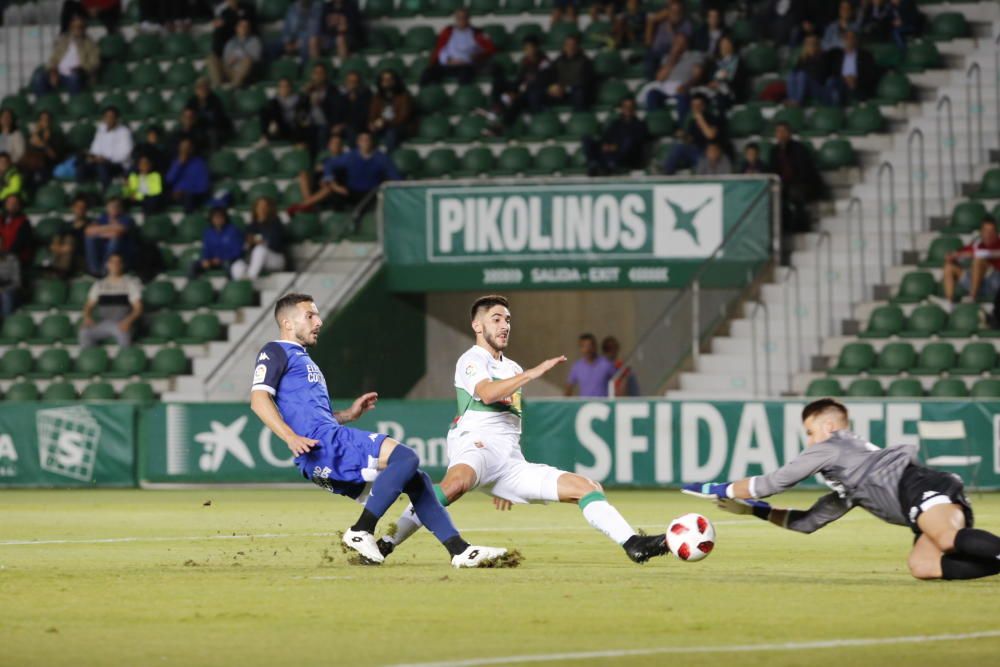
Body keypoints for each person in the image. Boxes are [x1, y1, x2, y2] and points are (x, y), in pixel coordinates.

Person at [378, 295, 668, 564]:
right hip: (475, 445)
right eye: (496, 319)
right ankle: (385, 543)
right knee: (454, 485)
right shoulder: (472, 359)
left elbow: (508, 422)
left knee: (587, 487)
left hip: (508, 462)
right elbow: (488, 394)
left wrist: (501, 478)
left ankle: (633, 543)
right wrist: (533, 373)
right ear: (477, 325)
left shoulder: (513, 368)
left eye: (507, 320)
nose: (505, 326)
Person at [249, 292, 509, 567]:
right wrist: (289, 437)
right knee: (405, 457)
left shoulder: (304, 360)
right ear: (287, 323)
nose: (319, 321)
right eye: (310, 315)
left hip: (324, 444)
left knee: (417, 480)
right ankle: (362, 529)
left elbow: (310, 416)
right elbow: (258, 399)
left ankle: (459, 550)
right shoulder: (275, 351)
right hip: (324, 445)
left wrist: (348, 415)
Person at [683, 398, 1000, 581]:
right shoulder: (854, 478)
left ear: (828, 427)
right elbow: (808, 522)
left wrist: (717, 487)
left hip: (919, 486)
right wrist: (753, 510)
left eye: (810, 432)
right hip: (920, 500)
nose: (808, 442)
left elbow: (773, 482)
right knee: (923, 566)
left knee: (945, 538)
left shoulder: (832, 445)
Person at [288, 131, 399, 214]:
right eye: (362, 140)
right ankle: (307, 205)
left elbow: (394, 176)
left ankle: (305, 205)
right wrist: (328, 177)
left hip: (370, 193)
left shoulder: (381, 158)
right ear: (358, 142)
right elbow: (329, 165)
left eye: (367, 140)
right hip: (350, 192)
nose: (364, 142)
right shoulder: (351, 156)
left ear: (372, 142)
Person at [768, 121, 822, 241]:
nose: (780, 134)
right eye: (778, 131)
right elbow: (772, 171)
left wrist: (788, 184)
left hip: (801, 184)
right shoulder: (774, 151)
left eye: (783, 131)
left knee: (795, 194)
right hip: (782, 185)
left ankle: (799, 228)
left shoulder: (799, 149)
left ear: (789, 133)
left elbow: (804, 171)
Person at [78, 253, 142, 349]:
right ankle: (94, 361)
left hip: (122, 323)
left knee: (124, 335)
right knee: (84, 332)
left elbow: (138, 309)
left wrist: (128, 321)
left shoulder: (130, 283)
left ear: (122, 265)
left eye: (118, 262)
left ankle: (124, 362)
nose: (115, 264)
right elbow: (88, 305)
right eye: (112, 262)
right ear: (107, 264)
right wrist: (87, 317)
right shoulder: (99, 285)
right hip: (104, 323)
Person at [420, 8, 497, 86]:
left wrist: (474, 57)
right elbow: (440, 49)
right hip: (448, 64)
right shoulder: (448, 31)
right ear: (456, 19)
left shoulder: (476, 33)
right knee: (428, 73)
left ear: (468, 19)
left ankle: (463, 96)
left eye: (464, 17)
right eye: (459, 18)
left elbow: (488, 49)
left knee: (466, 75)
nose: (461, 20)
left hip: (466, 65)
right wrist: (448, 60)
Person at [488, 35, 550, 124]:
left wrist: (517, 93)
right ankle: (496, 106)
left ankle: (503, 123)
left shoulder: (544, 62)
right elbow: (520, 79)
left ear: (536, 48)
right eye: (525, 49)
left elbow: (540, 82)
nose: (527, 51)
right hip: (522, 88)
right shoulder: (525, 61)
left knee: (518, 101)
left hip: (533, 92)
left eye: (529, 48)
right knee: (499, 82)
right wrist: (513, 91)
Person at [32, 15, 100, 96]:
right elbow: (53, 58)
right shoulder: (64, 41)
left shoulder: (90, 44)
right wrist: (53, 71)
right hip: (59, 74)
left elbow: (95, 63)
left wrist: (81, 69)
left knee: (74, 78)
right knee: (39, 78)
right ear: (70, 27)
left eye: (80, 27)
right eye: (74, 26)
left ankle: (74, 105)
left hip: (78, 74)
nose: (77, 29)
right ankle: (45, 106)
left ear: (84, 28)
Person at [640, 33, 704, 117]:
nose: (678, 45)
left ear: (686, 44)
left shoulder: (695, 55)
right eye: (676, 42)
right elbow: (659, 78)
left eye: (681, 42)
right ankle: (654, 121)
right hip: (666, 87)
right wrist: (673, 57)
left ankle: (682, 127)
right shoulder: (667, 57)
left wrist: (686, 86)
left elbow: (697, 76)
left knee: (682, 97)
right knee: (652, 94)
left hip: (683, 87)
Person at [941, 216, 1000, 307]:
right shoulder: (977, 244)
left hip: (994, 283)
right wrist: (952, 256)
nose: (988, 234)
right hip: (977, 282)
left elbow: (988, 254)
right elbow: (960, 253)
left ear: (996, 233)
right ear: (981, 232)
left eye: (991, 231)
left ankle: (971, 298)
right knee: (949, 267)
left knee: (978, 260)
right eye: (986, 231)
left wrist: (966, 255)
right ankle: (949, 305)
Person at [582, 96, 649, 175]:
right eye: (625, 106)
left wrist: (616, 147)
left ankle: (611, 166)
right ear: (621, 108)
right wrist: (605, 145)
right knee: (587, 139)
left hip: (627, 158)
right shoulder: (615, 124)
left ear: (634, 109)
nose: (628, 109)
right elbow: (605, 137)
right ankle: (594, 165)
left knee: (628, 142)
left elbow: (637, 143)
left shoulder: (640, 125)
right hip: (609, 154)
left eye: (630, 106)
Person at [661, 93, 721, 175]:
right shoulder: (692, 121)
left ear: (704, 106)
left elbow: (710, 135)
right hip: (693, 149)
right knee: (678, 146)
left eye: (698, 105)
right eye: (693, 105)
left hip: (707, 151)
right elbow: (691, 139)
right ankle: (665, 174)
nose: (695, 107)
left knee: (702, 161)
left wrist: (700, 118)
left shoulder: (712, 118)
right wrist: (683, 136)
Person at [232, 197, 287, 279]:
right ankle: (241, 287)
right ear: (255, 208)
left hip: (275, 259)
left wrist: (262, 241)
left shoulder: (276, 223)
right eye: (259, 206)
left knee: (260, 250)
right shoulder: (251, 225)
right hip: (256, 261)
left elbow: (277, 244)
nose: (262, 209)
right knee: (237, 265)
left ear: (269, 208)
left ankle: (250, 279)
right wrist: (249, 243)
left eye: (265, 206)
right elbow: (245, 248)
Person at [82, 106, 133, 190]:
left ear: (117, 119)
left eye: (111, 117)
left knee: (102, 168)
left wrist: (107, 159)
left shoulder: (124, 132)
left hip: (118, 165)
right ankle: (85, 192)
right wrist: (93, 157)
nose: (109, 119)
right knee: (82, 166)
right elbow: (94, 148)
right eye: (106, 117)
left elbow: (126, 154)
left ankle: (106, 193)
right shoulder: (101, 129)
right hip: (100, 161)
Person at [84, 196, 133, 277]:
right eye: (111, 206)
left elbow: (118, 233)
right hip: (102, 250)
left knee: (114, 240)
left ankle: (105, 271)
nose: (114, 208)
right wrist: (110, 228)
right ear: (107, 208)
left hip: (123, 253)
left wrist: (99, 231)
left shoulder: (126, 218)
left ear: (121, 208)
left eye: (116, 206)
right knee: (89, 238)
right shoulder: (103, 218)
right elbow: (88, 231)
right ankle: (94, 271)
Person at [826, 30, 879, 105]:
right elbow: (832, 73)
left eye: (852, 38)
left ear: (856, 40)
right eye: (846, 38)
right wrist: (844, 78)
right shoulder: (837, 55)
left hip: (858, 84)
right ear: (843, 40)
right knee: (831, 82)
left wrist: (856, 79)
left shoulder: (866, 55)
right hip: (841, 83)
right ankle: (834, 111)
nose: (849, 40)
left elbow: (871, 74)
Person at [643, 0, 692, 80]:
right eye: (672, 11)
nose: (674, 13)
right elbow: (648, 41)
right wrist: (653, 20)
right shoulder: (661, 21)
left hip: (670, 55)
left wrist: (672, 29)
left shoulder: (686, 24)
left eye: (677, 12)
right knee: (649, 63)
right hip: (655, 52)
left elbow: (678, 45)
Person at [190, 206, 245, 278]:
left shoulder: (233, 231)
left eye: (220, 217)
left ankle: (230, 287)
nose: (217, 220)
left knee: (228, 265)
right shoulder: (208, 233)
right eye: (215, 217)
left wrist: (221, 258)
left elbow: (237, 251)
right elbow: (206, 250)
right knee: (193, 265)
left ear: (225, 218)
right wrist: (206, 260)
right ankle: (195, 286)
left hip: (228, 261)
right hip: (212, 262)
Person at [367, 70, 415, 152]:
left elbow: (403, 117)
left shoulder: (404, 95)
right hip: (382, 125)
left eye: (389, 79)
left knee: (391, 132)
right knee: (367, 133)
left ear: (394, 81)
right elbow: (372, 114)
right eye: (384, 79)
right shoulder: (377, 96)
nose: (386, 82)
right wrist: (372, 123)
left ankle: (389, 159)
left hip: (400, 126)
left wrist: (384, 122)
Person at [544, 34, 594, 111]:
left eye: (573, 44)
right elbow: (550, 76)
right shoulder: (558, 60)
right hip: (560, 93)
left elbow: (585, 82)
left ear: (577, 46)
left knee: (579, 93)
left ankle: (578, 118)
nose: (570, 47)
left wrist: (566, 88)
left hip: (576, 92)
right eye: (568, 44)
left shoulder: (585, 61)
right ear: (564, 46)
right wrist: (552, 86)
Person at [209, 17, 261, 89]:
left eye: (246, 26)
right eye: (241, 26)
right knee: (212, 58)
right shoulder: (231, 42)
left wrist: (238, 55)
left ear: (249, 29)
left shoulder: (254, 41)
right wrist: (231, 60)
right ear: (237, 28)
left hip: (244, 72)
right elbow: (226, 60)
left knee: (248, 60)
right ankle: (217, 86)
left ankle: (234, 87)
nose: (243, 28)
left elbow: (256, 58)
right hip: (230, 70)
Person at [48, 193, 90, 279]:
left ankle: (59, 272)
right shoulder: (65, 225)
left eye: (83, 207)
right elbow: (53, 245)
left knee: (69, 239)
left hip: (80, 259)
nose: (80, 210)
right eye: (78, 207)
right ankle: (60, 271)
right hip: (63, 256)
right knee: (63, 241)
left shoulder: (90, 226)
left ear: (86, 209)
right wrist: (64, 249)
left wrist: (70, 248)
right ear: (73, 208)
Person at [20, 110, 66, 186]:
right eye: (42, 119)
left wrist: (43, 144)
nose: (45, 122)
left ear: (51, 122)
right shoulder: (33, 136)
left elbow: (55, 157)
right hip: (31, 165)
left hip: (47, 165)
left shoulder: (57, 137)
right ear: (39, 121)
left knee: (39, 177)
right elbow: (26, 152)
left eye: (47, 119)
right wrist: (35, 134)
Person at [165, 137, 211, 213]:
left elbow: (203, 186)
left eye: (187, 148)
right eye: (182, 147)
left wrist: (184, 191)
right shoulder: (176, 162)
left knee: (189, 197)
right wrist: (179, 164)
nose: (184, 150)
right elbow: (169, 180)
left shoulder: (199, 163)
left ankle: (189, 220)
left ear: (192, 149)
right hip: (176, 195)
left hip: (193, 195)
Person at [564, 332, 618, 397]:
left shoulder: (606, 364)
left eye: (590, 345)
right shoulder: (577, 366)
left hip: (603, 405)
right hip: (585, 406)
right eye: (584, 346)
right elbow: (569, 387)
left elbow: (618, 383)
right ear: (580, 348)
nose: (587, 349)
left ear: (595, 346)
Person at [186, 78, 233, 151]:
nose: (202, 90)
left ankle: (214, 155)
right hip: (200, 127)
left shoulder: (215, 100)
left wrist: (197, 120)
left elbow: (217, 120)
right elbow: (187, 115)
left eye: (204, 88)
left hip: (217, 128)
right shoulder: (192, 100)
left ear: (208, 89)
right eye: (199, 88)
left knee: (212, 133)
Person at [302, 63, 340, 153]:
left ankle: (322, 157)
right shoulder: (309, 89)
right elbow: (302, 110)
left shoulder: (332, 90)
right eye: (316, 73)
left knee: (322, 133)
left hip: (326, 123)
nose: (318, 76)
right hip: (310, 123)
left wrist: (320, 103)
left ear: (325, 75)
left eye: (320, 73)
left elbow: (334, 110)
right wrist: (304, 96)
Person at [261, 77, 311, 145]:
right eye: (281, 86)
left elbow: (305, 112)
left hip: (295, 128)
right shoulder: (274, 102)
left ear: (290, 88)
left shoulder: (299, 99)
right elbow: (269, 114)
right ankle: (264, 137)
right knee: (265, 112)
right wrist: (273, 121)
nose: (283, 89)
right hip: (281, 128)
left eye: (286, 86)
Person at [786, 35, 831, 106]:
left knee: (802, 75)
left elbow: (820, 76)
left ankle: (798, 101)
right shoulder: (804, 58)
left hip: (818, 87)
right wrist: (806, 58)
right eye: (808, 44)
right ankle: (792, 99)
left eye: (812, 44)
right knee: (792, 75)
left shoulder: (823, 56)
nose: (810, 46)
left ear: (817, 45)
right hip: (805, 85)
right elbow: (795, 71)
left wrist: (812, 58)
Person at [331, 71, 372, 144]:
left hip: (359, 126)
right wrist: (337, 125)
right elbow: (337, 112)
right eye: (350, 81)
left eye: (355, 81)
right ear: (346, 82)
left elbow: (362, 116)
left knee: (351, 130)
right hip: (342, 126)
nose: (352, 84)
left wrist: (354, 102)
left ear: (359, 83)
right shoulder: (340, 96)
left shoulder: (366, 95)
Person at [0, 195, 34, 266]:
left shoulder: (24, 222)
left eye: (15, 203)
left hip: (16, 258)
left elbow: (19, 245)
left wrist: (4, 255)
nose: (11, 205)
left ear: (19, 206)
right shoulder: (1, 219)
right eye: (9, 203)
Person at [0, 241, 20, 317]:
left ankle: (6, 324)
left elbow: (17, 282)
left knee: (5, 296)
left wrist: (3, 289)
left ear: (3, 246)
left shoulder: (12, 259)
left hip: (8, 290)